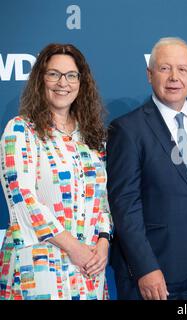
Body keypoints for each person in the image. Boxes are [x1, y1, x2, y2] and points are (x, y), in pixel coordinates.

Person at [107, 37, 187, 300]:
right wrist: (145, 267)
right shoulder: (127, 129)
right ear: (149, 74)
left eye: (182, 69)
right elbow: (124, 204)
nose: (174, 77)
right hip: (152, 272)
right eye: (164, 68)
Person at [0, 43, 112, 300]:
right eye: (54, 74)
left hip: (89, 269)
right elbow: (23, 201)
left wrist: (103, 244)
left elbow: (104, 201)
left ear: (81, 83)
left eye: (71, 75)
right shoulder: (20, 131)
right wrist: (75, 249)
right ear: (40, 79)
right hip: (38, 268)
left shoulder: (92, 137)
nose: (63, 83)